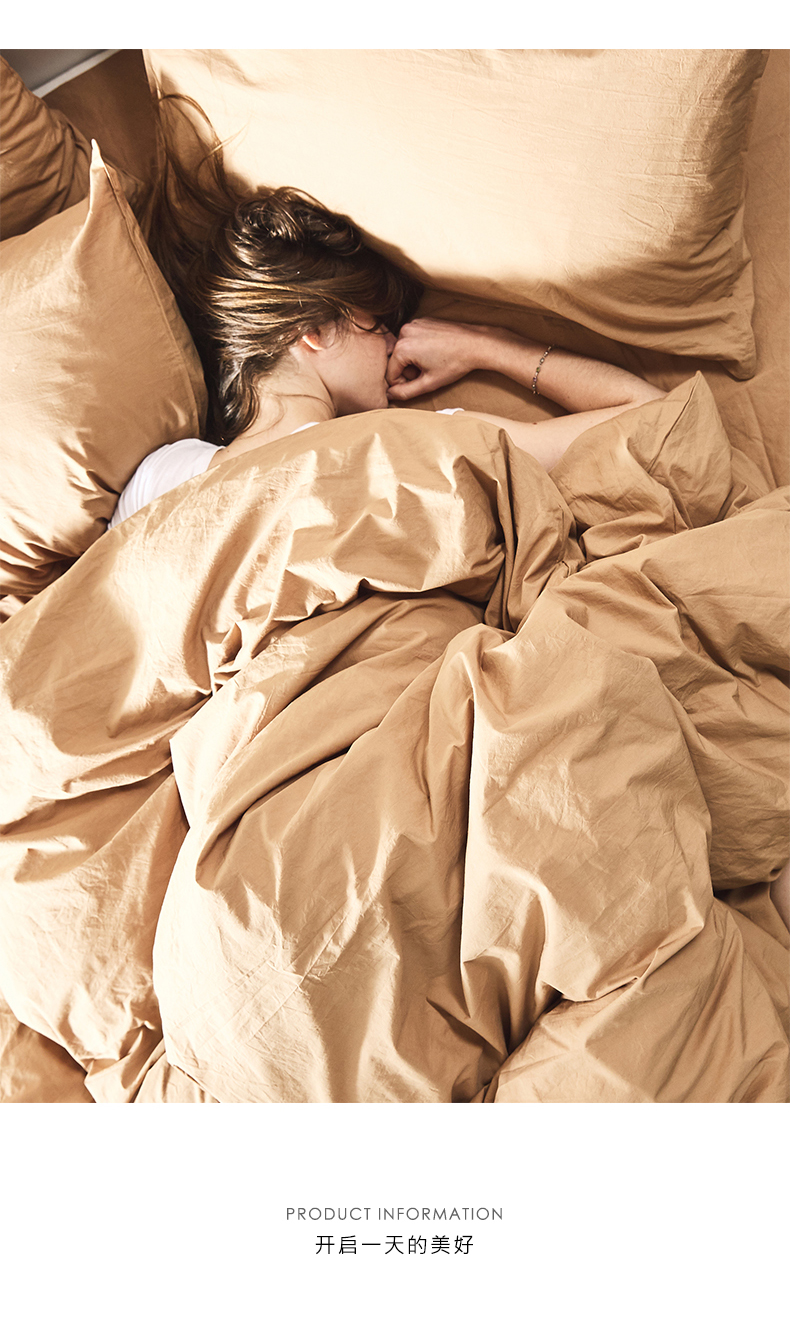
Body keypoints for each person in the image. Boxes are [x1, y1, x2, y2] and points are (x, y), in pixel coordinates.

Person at [110, 95, 665, 528]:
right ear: (314, 330)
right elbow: (649, 415)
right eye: (378, 326)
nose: (396, 344)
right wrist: (490, 345)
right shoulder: (416, 443)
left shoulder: (159, 480)